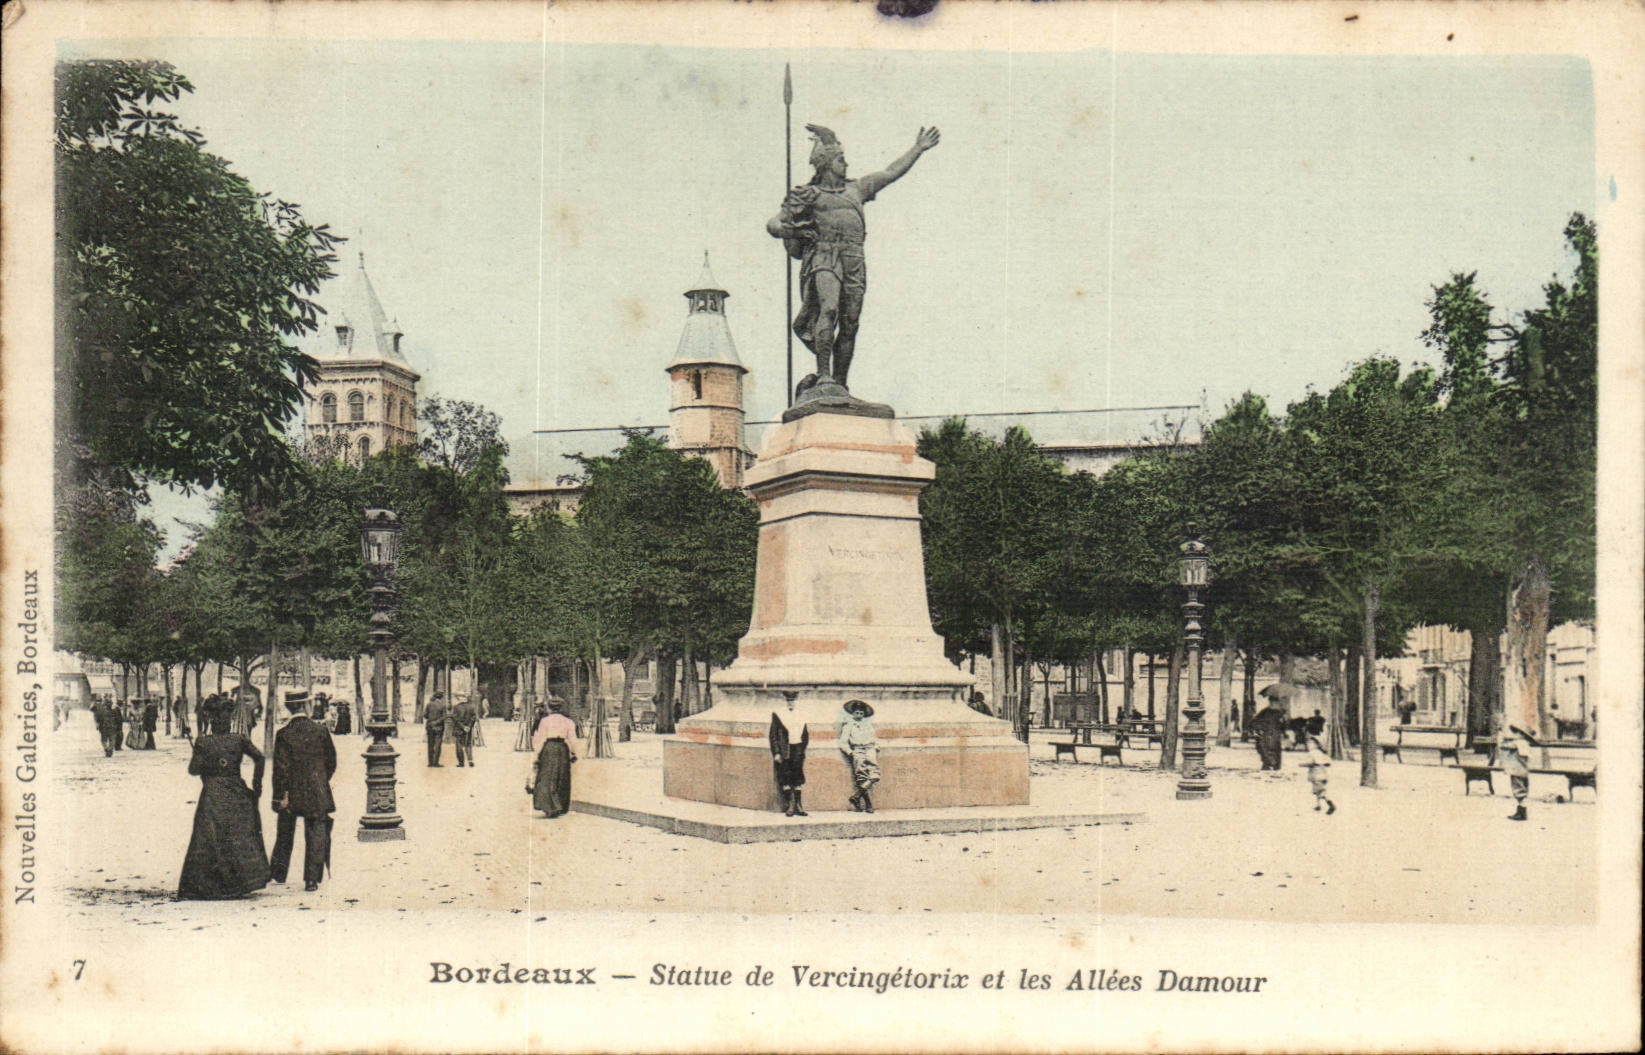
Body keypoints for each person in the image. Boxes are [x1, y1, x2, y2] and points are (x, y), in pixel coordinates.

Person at [767, 124, 940, 398]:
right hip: (824, 255)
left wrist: (918, 148)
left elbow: (890, 172)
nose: (845, 164)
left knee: (851, 322)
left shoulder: (856, 189)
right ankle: (824, 376)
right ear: (825, 163)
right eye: (840, 160)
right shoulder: (808, 194)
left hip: (853, 258)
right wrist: (792, 230)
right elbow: (775, 224)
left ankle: (840, 383)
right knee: (829, 307)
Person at [177, 699, 272, 900]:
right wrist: (257, 785)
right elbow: (260, 758)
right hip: (236, 790)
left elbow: (193, 771)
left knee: (210, 838)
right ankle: (240, 882)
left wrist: (201, 756)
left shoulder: (203, 742)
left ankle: (212, 884)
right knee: (238, 836)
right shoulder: (238, 740)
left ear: (211, 719)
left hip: (213, 792)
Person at [270, 692, 337, 892]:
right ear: (306, 706)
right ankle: (311, 880)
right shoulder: (321, 731)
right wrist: (321, 780)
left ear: (289, 707)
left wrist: (279, 794)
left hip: (291, 793)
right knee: (316, 831)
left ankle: (279, 873)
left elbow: (280, 768)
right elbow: (331, 762)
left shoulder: (283, 734)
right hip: (316, 789)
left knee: (285, 830)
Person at [527, 699, 579, 818]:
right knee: (561, 777)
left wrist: (536, 754)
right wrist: (573, 753)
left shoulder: (545, 721)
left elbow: (540, 738)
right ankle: (559, 805)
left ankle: (549, 806)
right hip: (562, 749)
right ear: (560, 708)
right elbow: (573, 739)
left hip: (548, 748)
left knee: (547, 776)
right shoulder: (568, 721)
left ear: (549, 708)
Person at [834, 700, 879, 813]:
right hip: (857, 750)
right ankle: (868, 804)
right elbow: (843, 742)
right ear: (853, 713)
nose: (859, 715)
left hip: (869, 749)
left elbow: (873, 738)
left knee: (875, 775)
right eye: (857, 713)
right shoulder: (848, 726)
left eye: (861, 713)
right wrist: (850, 752)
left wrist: (875, 746)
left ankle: (856, 796)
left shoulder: (868, 725)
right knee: (861, 776)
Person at [769, 713, 810, 817]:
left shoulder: (800, 715)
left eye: (793, 700)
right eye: (788, 700)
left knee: (798, 777)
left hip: (797, 749)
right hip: (785, 750)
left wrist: (801, 749)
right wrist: (777, 752)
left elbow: (805, 735)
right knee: (785, 777)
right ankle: (790, 805)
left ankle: (798, 805)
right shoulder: (778, 714)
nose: (790, 703)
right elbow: (773, 736)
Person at [1501, 723, 1537, 822]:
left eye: (1516, 732)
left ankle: (1521, 812)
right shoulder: (1525, 744)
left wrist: (1501, 736)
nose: (1514, 734)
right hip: (1524, 770)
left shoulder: (1518, 743)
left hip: (1517, 770)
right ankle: (1521, 811)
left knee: (1518, 791)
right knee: (1523, 790)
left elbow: (1503, 746)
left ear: (1521, 734)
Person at [1250, 689, 1289, 771]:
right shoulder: (1265, 711)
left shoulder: (1280, 713)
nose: (1273, 703)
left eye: (1275, 702)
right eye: (1271, 701)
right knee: (1263, 748)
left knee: (1275, 749)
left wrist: (1283, 723)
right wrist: (1258, 729)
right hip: (1266, 733)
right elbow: (1256, 721)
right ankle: (1267, 763)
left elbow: (1284, 725)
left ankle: (1275, 765)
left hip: (1275, 734)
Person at [1304, 733, 1335, 815]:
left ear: (1316, 745)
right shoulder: (1321, 753)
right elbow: (1328, 762)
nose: (1308, 745)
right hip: (1322, 775)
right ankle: (1318, 805)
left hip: (1317, 776)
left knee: (1321, 792)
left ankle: (1330, 804)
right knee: (1317, 791)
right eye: (1308, 743)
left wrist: (1303, 764)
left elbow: (1311, 762)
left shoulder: (1313, 753)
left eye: (1311, 744)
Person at [451, 695, 479, 768]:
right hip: (468, 729)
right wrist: (468, 726)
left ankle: (461, 762)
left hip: (459, 729)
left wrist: (463, 727)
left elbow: (455, 718)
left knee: (459, 745)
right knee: (468, 744)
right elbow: (474, 717)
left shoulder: (456, 707)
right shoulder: (471, 707)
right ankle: (470, 760)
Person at [424, 691, 450, 767]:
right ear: (441, 697)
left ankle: (430, 762)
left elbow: (425, 715)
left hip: (429, 726)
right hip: (439, 727)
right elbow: (444, 717)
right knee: (438, 745)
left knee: (430, 744)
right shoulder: (442, 705)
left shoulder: (429, 704)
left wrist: (431, 721)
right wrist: (436, 722)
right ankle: (436, 762)